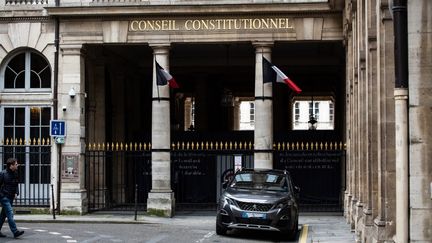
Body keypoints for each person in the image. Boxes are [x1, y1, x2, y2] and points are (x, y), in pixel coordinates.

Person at [0, 158, 24, 238]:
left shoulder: (15, 173)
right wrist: (2, 195)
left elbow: (16, 184)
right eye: (16, 164)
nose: (17, 165)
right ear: (11, 165)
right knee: (10, 213)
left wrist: (16, 192)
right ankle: (15, 231)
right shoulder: (3, 173)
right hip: (4, 197)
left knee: (3, 215)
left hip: (10, 197)